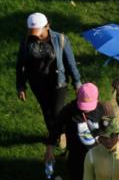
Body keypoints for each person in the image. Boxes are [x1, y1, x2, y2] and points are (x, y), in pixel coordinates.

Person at [16, 12, 82, 161]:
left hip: (58, 83)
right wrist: (21, 85)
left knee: (58, 112)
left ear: (47, 26)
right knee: (47, 112)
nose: (36, 36)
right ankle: (54, 135)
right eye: (33, 33)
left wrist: (77, 82)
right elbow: (21, 65)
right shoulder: (26, 41)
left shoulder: (61, 39)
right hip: (37, 83)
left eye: (39, 32)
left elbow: (71, 63)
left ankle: (62, 133)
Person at [46, 83, 104, 180]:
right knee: (76, 169)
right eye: (84, 106)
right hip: (76, 150)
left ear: (97, 100)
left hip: (96, 149)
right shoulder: (69, 110)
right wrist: (49, 150)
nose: (86, 109)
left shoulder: (101, 109)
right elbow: (56, 129)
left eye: (89, 106)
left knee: (96, 169)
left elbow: (106, 127)